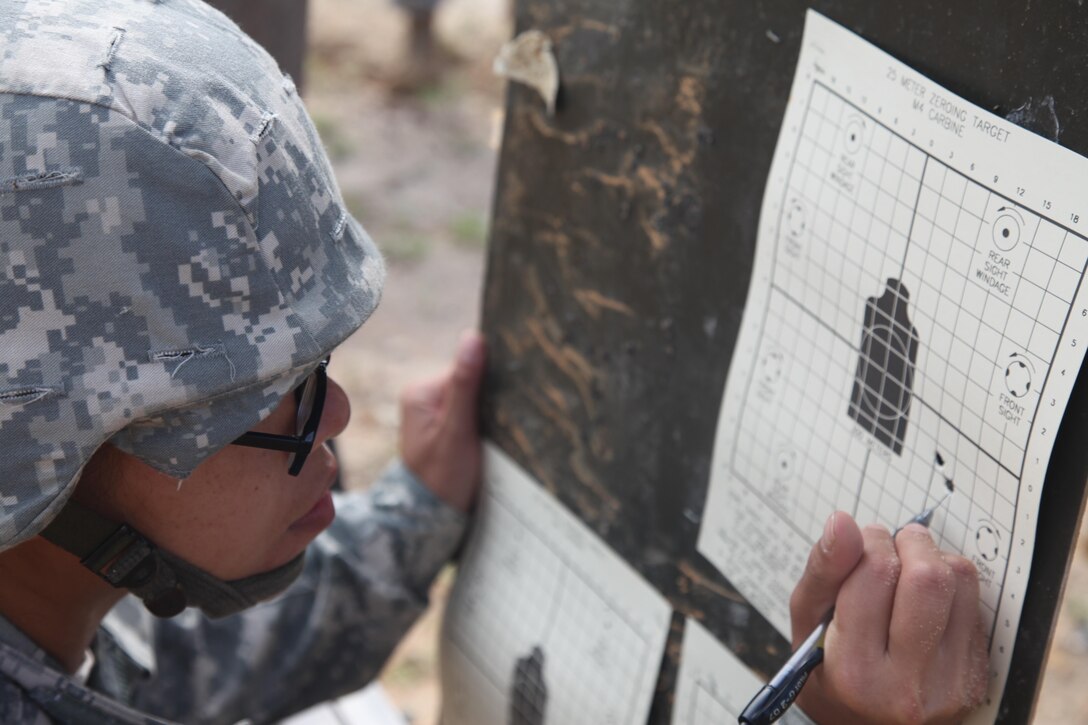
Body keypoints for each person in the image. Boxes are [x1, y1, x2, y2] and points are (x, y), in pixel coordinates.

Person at [0, 1, 985, 723]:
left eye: (320, 361)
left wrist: (420, 508)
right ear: (46, 455)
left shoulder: (48, 599)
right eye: (265, 396)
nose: (336, 414)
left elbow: (185, 672)